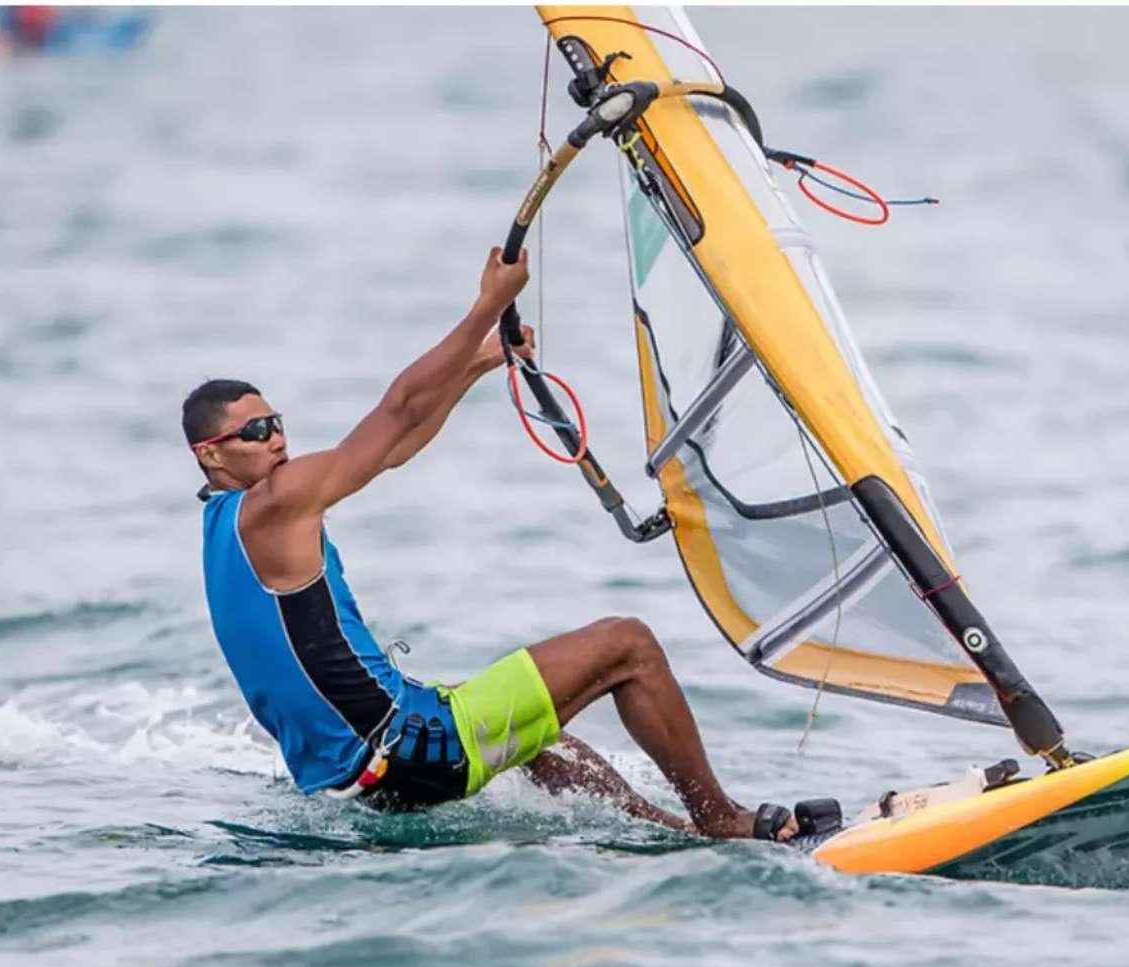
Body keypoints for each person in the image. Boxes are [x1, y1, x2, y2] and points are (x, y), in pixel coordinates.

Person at [185, 249, 805, 841]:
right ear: (210, 453)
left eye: (278, 424)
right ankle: (719, 817)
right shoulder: (274, 505)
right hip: (401, 751)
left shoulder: (225, 527)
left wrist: (483, 362)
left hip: (354, 780)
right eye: (255, 432)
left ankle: (671, 833)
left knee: (544, 737)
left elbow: (394, 448)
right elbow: (398, 410)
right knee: (629, 644)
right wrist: (489, 305)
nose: (276, 439)